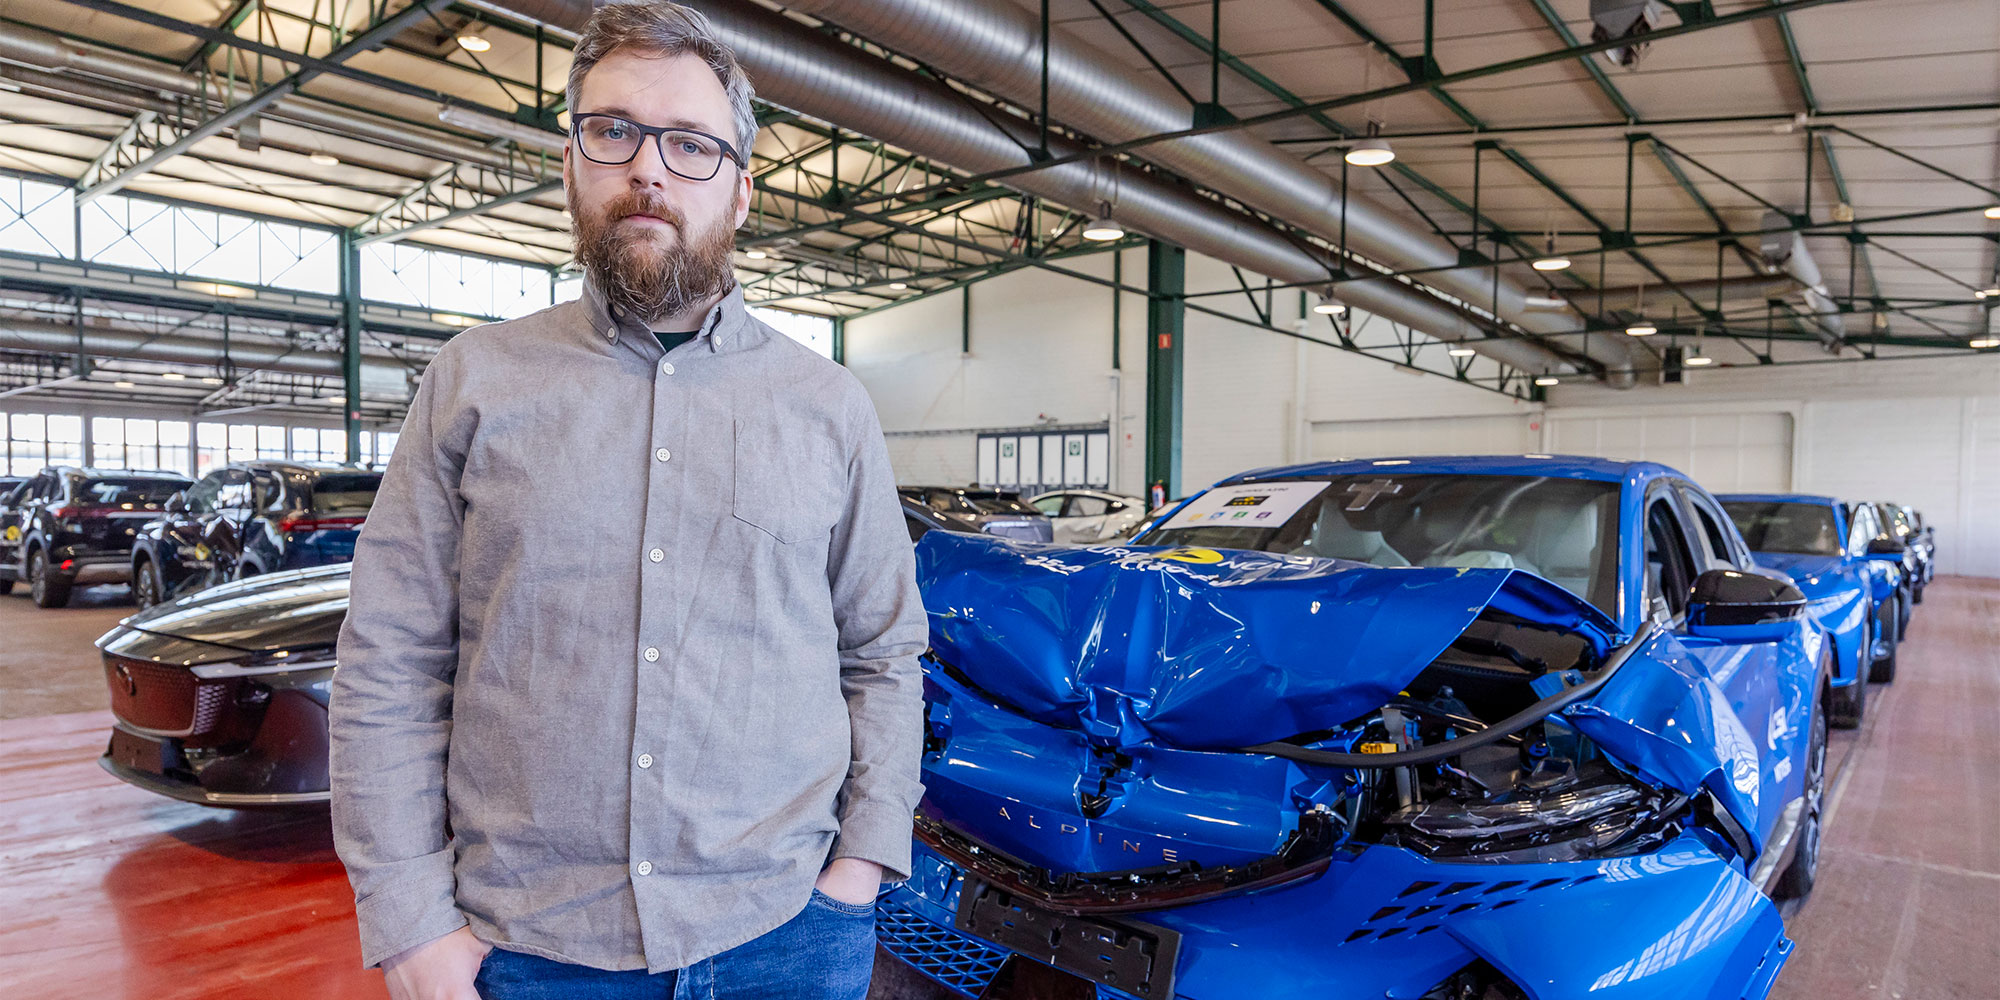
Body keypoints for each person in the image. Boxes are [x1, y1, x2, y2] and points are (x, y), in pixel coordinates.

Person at [326, 3, 927, 998]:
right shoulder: (473, 382)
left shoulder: (828, 408)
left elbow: (881, 652)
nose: (648, 169)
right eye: (613, 133)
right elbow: (389, 660)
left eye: (690, 144)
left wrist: (859, 865)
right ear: (570, 165)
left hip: (782, 934)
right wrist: (408, 919)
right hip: (525, 946)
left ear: (740, 191)